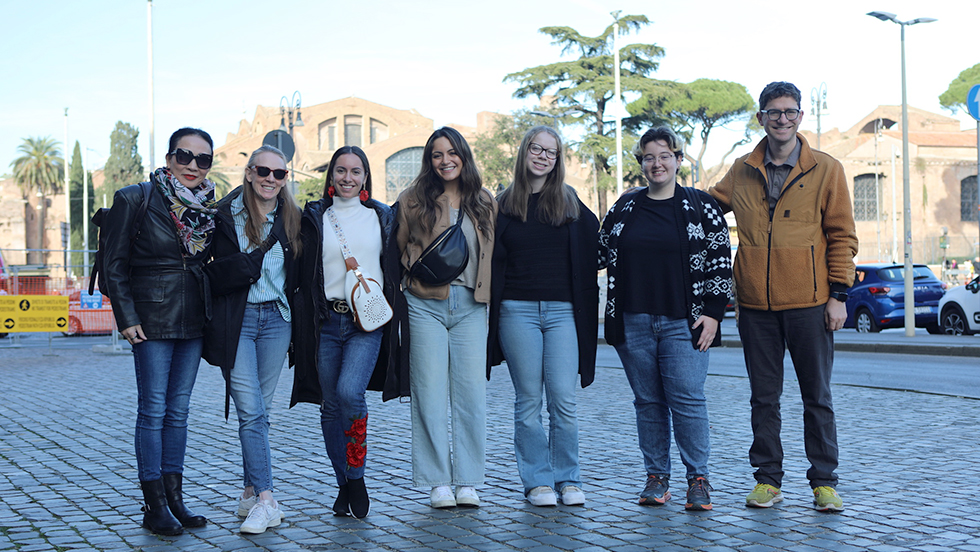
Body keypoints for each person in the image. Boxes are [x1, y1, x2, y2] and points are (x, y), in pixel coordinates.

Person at [708, 81, 858, 512]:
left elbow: (842, 236)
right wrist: (653, 197)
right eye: (773, 112)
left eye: (789, 111)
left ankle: (824, 482)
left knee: (818, 397)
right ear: (761, 118)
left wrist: (840, 295)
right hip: (756, 306)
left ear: (800, 117)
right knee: (763, 398)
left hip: (812, 303)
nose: (782, 119)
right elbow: (704, 206)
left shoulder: (826, 169)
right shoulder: (741, 169)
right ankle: (767, 480)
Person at [599, 126, 732, 511]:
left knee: (688, 400)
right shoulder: (625, 207)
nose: (656, 164)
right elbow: (599, 251)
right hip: (632, 321)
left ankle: (699, 480)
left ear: (677, 160)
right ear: (641, 163)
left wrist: (713, 314)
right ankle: (656, 478)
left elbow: (720, 262)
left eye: (664, 156)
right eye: (648, 157)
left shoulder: (702, 205)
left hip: (685, 322)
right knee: (648, 402)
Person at [103, 127, 217, 535]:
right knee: (152, 411)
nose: (193, 166)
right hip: (149, 319)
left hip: (192, 319)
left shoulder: (209, 206)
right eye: (184, 156)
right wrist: (126, 317)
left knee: (179, 412)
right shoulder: (136, 197)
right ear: (169, 157)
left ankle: (174, 499)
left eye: (203, 159)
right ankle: (153, 506)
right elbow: (113, 265)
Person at [488, 126, 598, 507]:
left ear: (558, 160)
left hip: (563, 312)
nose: (542, 156)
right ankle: (537, 481)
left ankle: (568, 478)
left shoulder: (569, 203)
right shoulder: (502, 204)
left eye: (551, 152)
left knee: (563, 400)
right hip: (516, 312)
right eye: (536, 148)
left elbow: (596, 245)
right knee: (528, 400)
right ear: (524, 152)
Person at [290, 146, 396, 519]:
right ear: (331, 176)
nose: (348, 178)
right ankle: (344, 484)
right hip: (326, 322)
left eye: (356, 171)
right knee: (330, 405)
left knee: (351, 393)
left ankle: (357, 476)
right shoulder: (315, 217)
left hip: (365, 321)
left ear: (366, 177)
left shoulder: (383, 217)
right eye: (340, 171)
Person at [395, 127, 496, 509]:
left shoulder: (484, 201)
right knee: (429, 395)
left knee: (471, 395)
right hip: (425, 305)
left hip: (471, 305)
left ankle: (468, 480)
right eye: (437, 154)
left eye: (452, 153)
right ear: (429, 160)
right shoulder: (413, 199)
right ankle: (437, 481)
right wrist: (407, 282)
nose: (445, 160)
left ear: (464, 156)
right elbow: (399, 246)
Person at [203, 145, 301, 534]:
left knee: (259, 411)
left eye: (279, 174)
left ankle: (247, 491)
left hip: (278, 321)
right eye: (263, 170)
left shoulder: (293, 217)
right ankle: (266, 499)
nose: (270, 179)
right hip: (237, 322)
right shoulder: (225, 215)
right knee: (251, 410)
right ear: (248, 172)